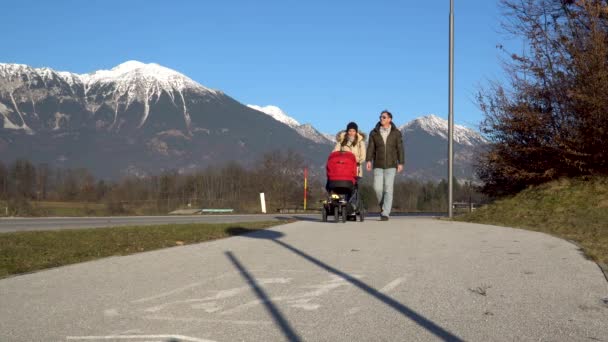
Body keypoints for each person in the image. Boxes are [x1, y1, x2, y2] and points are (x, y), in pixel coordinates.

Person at [365, 110, 404, 221]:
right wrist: (368, 160)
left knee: (388, 189)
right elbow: (371, 147)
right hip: (378, 164)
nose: (381, 119)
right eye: (381, 117)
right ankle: (383, 207)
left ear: (389, 119)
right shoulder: (374, 133)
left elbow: (400, 149)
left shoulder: (396, 133)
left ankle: (385, 213)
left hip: (391, 165)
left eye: (384, 117)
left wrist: (401, 162)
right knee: (377, 188)